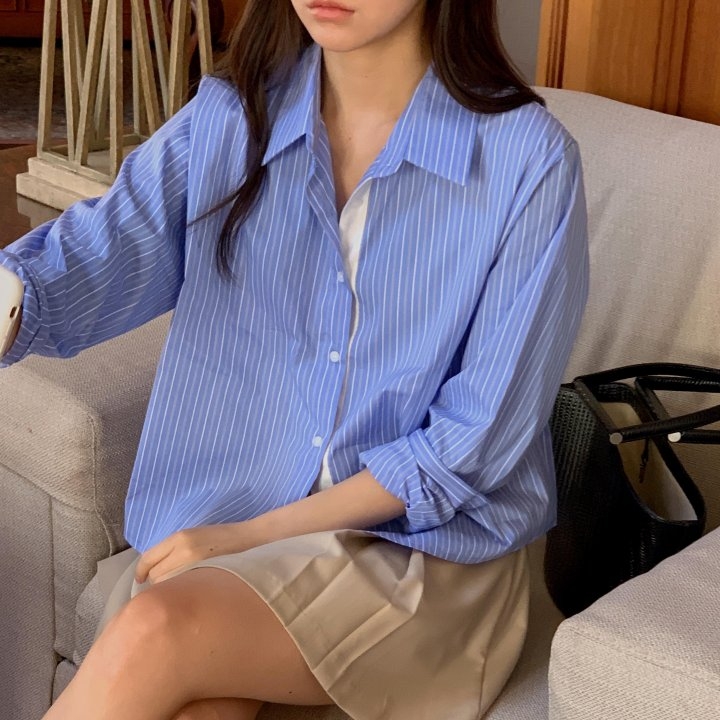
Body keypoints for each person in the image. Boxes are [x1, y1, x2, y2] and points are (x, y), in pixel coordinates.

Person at [0, 1, 589, 718]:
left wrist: (242, 538)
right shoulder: (233, 117)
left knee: (157, 629)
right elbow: (95, 257)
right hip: (239, 524)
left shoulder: (528, 161)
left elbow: (468, 447)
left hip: (423, 556)